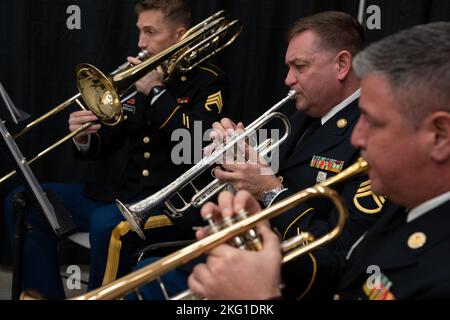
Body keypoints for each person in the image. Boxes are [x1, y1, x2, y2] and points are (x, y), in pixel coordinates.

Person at [188, 21, 450, 300]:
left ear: (439, 137)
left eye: (373, 122)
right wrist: (258, 221)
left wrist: (260, 300)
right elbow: (347, 271)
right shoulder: (409, 207)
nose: (358, 138)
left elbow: (335, 262)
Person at [3, 0, 229, 299]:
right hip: (125, 194)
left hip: (176, 205)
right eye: (139, 32)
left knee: (108, 225)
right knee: (23, 200)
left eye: (150, 32)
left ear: (180, 35)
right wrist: (85, 136)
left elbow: (199, 145)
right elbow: (110, 142)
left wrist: (158, 93)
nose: (140, 43)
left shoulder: (209, 80)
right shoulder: (139, 78)